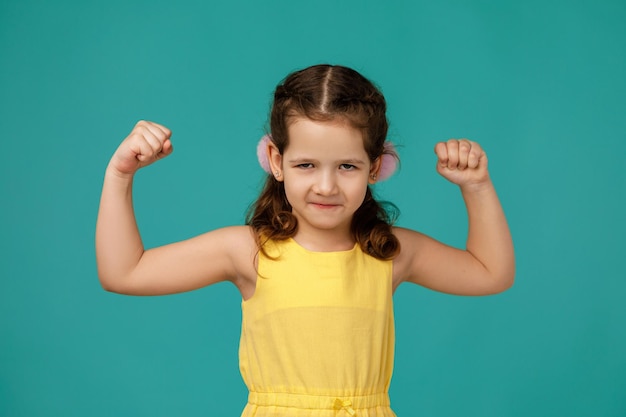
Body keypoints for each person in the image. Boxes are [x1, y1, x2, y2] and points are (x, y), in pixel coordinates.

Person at [96, 64, 515, 416]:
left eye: (347, 166)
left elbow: (490, 273)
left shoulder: (389, 253)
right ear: (277, 162)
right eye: (307, 164)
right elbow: (124, 273)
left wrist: (476, 187)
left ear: (376, 167)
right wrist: (119, 175)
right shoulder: (248, 251)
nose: (326, 186)